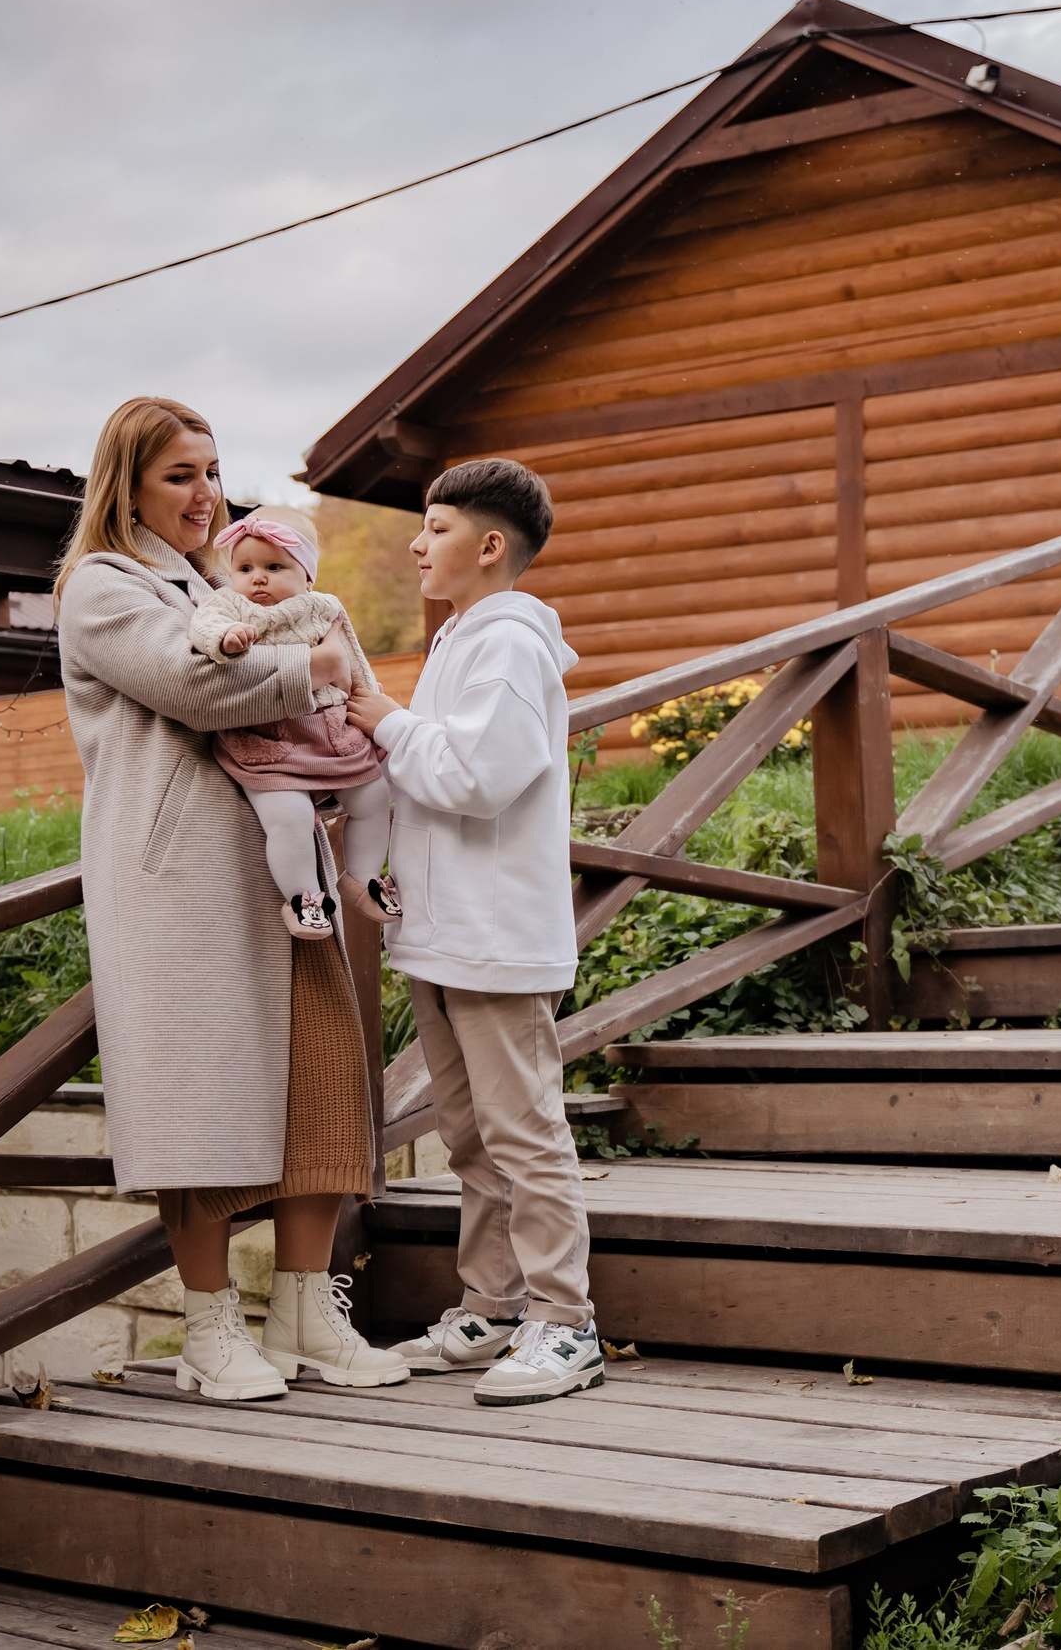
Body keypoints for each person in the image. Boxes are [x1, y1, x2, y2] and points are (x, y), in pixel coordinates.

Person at [55, 395, 408, 1401]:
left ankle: (305, 1314)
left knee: (322, 1079)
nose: (205, 494)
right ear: (125, 482)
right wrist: (322, 666)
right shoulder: (103, 587)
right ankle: (209, 1336)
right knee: (197, 1106)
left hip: (275, 869)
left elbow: (312, 690)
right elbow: (193, 685)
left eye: (212, 472)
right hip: (179, 882)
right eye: (180, 474)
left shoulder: (226, 584)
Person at [342, 457, 598, 1407]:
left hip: (496, 935)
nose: (416, 540)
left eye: (436, 525)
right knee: (468, 1135)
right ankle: (492, 1304)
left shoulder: (511, 644)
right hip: (444, 932)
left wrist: (383, 717)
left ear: (490, 546)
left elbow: (479, 778)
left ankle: (566, 1322)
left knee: (522, 1130)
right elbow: (431, 784)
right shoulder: (457, 640)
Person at [188, 507, 397, 939]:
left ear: (307, 577)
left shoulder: (324, 607)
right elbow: (202, 624)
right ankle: (304, 898)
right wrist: (224, 640)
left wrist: (373, 704)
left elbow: (352, 659)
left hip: (332, 730)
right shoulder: (229, 604)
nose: (257, 578)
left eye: (273, 566)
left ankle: (362, 878)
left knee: (373, 798)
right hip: (268, 738)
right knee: (289, 816)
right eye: (244, 568)